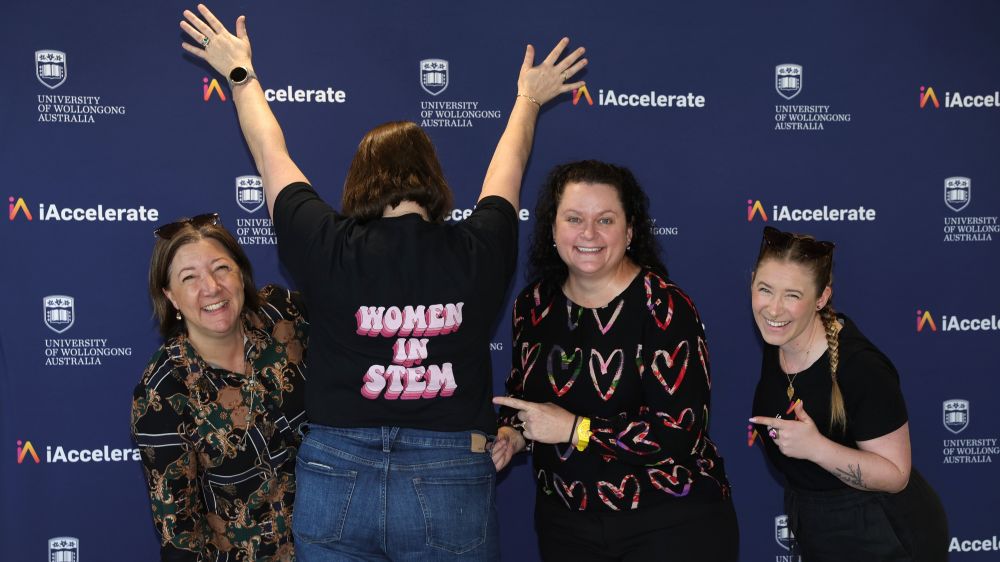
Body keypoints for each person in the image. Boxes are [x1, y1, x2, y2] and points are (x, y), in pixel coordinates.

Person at [179, 4, 586, 559]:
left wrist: (241, 74)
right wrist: (528, 99)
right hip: (449, 470)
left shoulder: (324, 241)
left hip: (336, 469)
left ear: (358, 180)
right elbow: (506, 171)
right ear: (434, 179)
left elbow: (271, 154)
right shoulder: (480, 246)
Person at [493, 161, 738, 561]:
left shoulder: (665, 308)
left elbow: (680, 434)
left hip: (669, 522)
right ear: (552, 229)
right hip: (566, 527)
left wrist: (576, 429)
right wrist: (514, 434)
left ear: (629, 231)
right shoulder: (533, 306)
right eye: (574, 219)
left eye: (605, 220)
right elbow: (525, 400)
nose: (588, 233)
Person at [748, 226, 948, 561]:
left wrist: (816, 447)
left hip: (885, 532)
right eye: (765, 289)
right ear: (752, 282)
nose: (774, 309)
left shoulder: (861, 368)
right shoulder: (779, 341)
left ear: (821, 298)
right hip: (815, 523)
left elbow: (896, 475)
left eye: (793, 295)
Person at [132, 214, 308, 561]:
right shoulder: (163, 393)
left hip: (337, 548)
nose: (211, 287)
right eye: (189, 277)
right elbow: (181, 537)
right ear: (171, 296)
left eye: (221, 268)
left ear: (241, 273)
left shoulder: (285, 315)